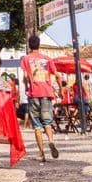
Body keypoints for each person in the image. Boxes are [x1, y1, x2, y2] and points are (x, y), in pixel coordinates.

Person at [21, 35, 61, 163]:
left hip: (34, 94)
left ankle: (42, 153)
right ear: (39, 44)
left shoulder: (26, 59)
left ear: (29, 45)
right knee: (47, 122)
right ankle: (51, 141)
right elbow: (58, 75)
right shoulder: (47, 59)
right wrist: (60, 89)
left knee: (37, 125)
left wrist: (27, 85)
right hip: (46, 93)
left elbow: (25, 77)